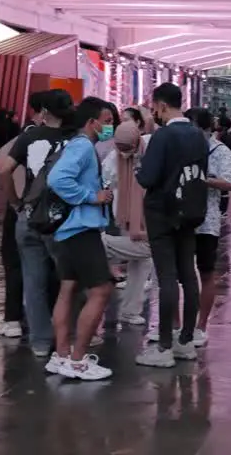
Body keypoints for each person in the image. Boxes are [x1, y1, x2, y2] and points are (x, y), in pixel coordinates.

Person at [136, 83, 209, 368]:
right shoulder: (198, 136)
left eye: (155, 107)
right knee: (188, 276)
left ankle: (164, 346)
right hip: (191, 210)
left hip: (162, 212)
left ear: (162, 105)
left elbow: (148, 178)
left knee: (167, 276)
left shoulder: (163, 136)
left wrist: (139, 168)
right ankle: (186, 341)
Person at [0, 89, 71, 357]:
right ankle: (66, 339)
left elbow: (3, 169)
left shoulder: (28, 136)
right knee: (68, 280)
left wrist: (15, 202)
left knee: (32, 279)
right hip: (63, 217)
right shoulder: (75, 139)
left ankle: (40, 342)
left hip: (30, 215)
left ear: (44, 111)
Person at [45, 97, 116, 381]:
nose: (110, 127)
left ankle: (61, 355)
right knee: (101, 290)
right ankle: (78, 360)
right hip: (81, 229)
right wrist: (91, 197)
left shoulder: (75, 144)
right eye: (107, 121)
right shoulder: (84, 146)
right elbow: (58, 179)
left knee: (68, 288)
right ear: (91, 122)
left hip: (67, 231)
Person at [193, 108, 231, 346]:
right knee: (178, 275)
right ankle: (177, 326)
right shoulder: (179, 148)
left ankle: (201, 326)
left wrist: (204, 180)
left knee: (206, 272)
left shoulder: (219, 151)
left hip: (206, 221)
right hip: (179, 219)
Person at [101, 121, 153, 327]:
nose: (123, 153)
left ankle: (131, 310)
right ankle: (103, 244)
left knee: (141, 263)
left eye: (127, 148)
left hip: (147, 213)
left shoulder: (150, 147)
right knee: (144, 254)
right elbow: (108, 180)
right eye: (120, 147)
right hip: (125, 214)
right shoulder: (113, 157)